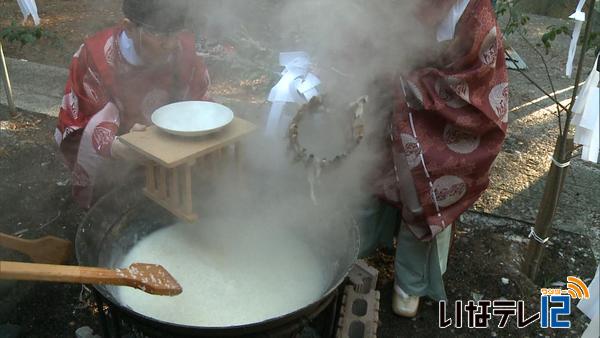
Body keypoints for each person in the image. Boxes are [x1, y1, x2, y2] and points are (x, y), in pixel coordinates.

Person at [374, 0, 509, 317]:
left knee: (425, 190)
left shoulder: (475, 13)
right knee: (370, 164)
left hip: (446, 116)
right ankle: (368, 246)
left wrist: (416, 86)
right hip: (392, 101)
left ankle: (411, 282)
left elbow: (481, 78)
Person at [54, 0, 210, 208]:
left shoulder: (184, 49)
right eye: (161, 35)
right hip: (119, 152)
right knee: (114, 205)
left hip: (172, 147)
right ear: (128, 27)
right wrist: (118, 147)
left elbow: (200, 98)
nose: (171, 44)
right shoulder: (96, 56)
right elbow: (80, 120)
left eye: (176, 33)